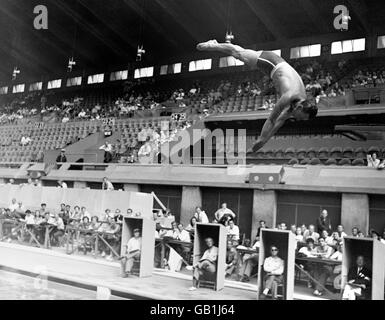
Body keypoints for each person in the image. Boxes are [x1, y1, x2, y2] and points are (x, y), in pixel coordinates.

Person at [197, 40, 317, 152]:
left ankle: (217, 45)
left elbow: (279, 122)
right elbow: (271, 119)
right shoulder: (289, 96)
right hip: (272, 62)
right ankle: (214, 44)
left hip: (273, 72)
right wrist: (261, 139)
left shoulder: (297, 104)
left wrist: (263, 141)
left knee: (240, 55)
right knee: (238, 53)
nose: (299, 120)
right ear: (300, 108)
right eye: (301, 117)